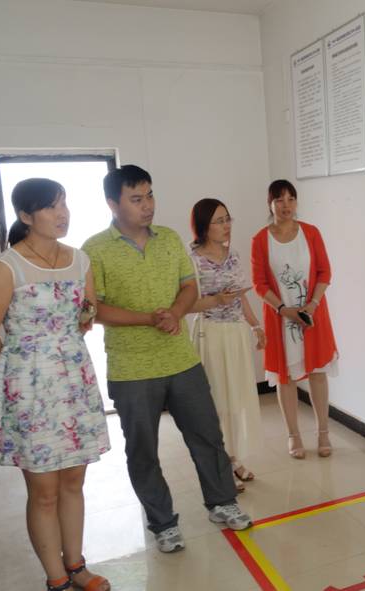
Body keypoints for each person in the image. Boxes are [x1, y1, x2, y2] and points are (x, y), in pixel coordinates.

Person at [82, 165, 252, 555]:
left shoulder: (170, 238)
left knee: (207, 435)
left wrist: (175, 312)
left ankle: (222, 502)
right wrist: (149, 319)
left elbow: (188, 285)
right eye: (136, 199)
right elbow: (96, 308)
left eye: (150, 196)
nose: (147, 206)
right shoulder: (95, 249)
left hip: (181, 359)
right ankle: (163, 523)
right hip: (131, 368)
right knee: (143, 449)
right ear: (112, 204)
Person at [0, 178, 111, 591]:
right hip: (31, 393)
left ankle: (77, 566)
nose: (62, 213)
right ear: (26, 216)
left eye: (64, 203)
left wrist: (79, 324)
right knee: (44, 490)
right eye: (51, 207)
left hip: (74, 386)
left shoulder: (80, 260)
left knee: (73, 482)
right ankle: (56, 577)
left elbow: (86, 314)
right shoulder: (7, 267)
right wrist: (19, 382)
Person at [250, 179, 338, 459]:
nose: (285, 205)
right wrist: (283, 310)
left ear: (296, 202)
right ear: (270, 204)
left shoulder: (311, 233)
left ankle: (323, 432)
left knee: (318, 372)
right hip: (280, 318)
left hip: (312, 314)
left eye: (290, 199)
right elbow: (259, 284)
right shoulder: (260, 240)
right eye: (279, 199)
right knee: (285, 377)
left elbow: (324, 272)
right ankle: (293, 435)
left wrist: (312, 305)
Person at [188, 198, 265, 492]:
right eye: (219, 221)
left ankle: (233, 458)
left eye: (227, 219)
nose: (226, 225)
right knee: (217, 402)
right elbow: (186, 304)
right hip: (211, 334)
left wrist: (255, 325)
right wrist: (215, 300)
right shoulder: (192, 259)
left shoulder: (232, 255)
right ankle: (220, 465)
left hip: (235, 334)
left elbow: (241, 296)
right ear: (203, 226)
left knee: (235, 401)